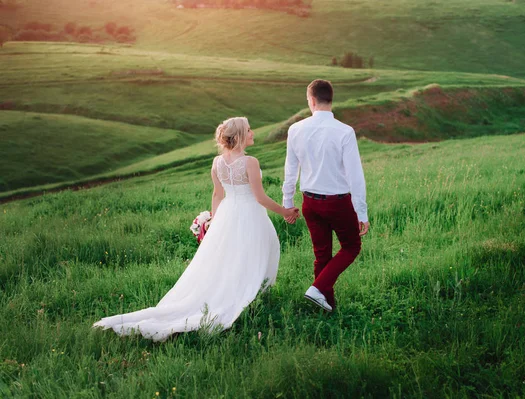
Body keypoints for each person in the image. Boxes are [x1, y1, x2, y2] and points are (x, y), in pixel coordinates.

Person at [93, 117, 299, 341]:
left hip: (228, 214)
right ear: (239, 136)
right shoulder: (250, 162)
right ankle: (247, 296)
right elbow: (259, 197)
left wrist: (213, 220)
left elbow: (217, 195)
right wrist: (285, 212)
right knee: (253, 254)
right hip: (249, 215)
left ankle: (245, 293)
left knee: (228, 259)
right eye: (249, 130)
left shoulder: (217, 162)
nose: (253, 133)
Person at [282, 79, 369, 312]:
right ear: (331, 99)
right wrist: (361, 211)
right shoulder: (345, 132)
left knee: (322, 256)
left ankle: (328, 306)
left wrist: (287, 203)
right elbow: (355, 175)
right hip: (338, 203)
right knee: (351, 246)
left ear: (311, 101)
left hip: (310, 202)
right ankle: (318, 289)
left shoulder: (295, 129)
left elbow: (290, 171)